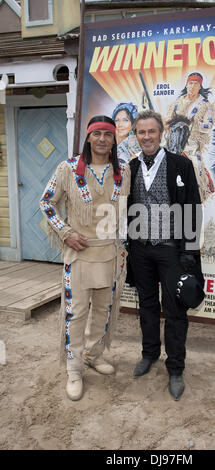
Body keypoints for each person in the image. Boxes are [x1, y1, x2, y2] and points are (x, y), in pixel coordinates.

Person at [40, 116, 130, 401]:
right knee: (75, 314)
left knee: (103, 312)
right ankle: (74, 368)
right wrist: (65, 232)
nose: (102, 139)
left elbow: (128, 210)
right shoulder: (68, 168)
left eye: (108, 134)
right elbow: (46, 202)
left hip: (111, 255)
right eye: (97, 134)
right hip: (79, 254)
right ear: (88, 138)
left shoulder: (123, 170)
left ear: (114, 139)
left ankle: (94, 355)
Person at [127, 109, 204, 401]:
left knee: (174, 311)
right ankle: (149, 355)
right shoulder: (131, 167)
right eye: (141, 132)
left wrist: (189, 252)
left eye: (151, 131)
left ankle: (175, 368)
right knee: (146, 305)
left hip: (172, 251)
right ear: (136, 136)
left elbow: (193, 209)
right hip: (140, 250)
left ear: (161, 133)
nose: (146, 137)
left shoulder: (180, 165)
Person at [165, 72, 215, 203]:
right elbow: (167, 122)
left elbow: (208, 125)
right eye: (190, 83)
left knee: (195, 170)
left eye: (196, 83)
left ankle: (197, 197)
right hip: (172, 143)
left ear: (200, 86)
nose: (192, 86)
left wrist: (194, 124)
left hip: (191, 145)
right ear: (186, 84)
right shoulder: (176, 104)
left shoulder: (205, 105)